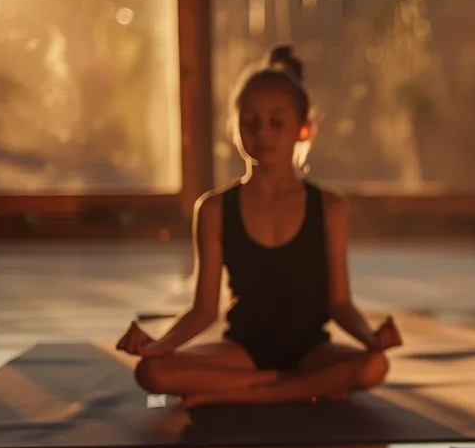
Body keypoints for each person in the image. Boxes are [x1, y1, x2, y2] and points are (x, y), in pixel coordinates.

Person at [115, 45, 401, 409]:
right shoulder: (214, 209)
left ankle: (247, 391)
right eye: (250, 122)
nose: (262, 132)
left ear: (303, 130)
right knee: (152, 373)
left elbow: (341, 303)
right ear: (233, 129)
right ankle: (287, 387)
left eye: (276, 123)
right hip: (241, 351)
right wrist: (159, 346)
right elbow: (204, 309)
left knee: (374, 366)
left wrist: (371, 339)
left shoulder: (330, 208)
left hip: (312, 351)